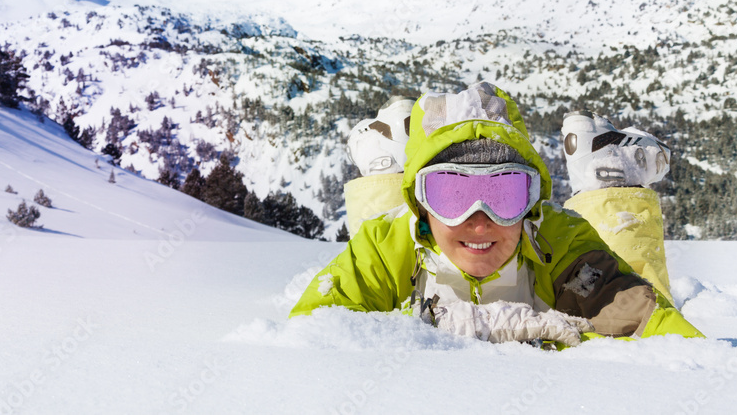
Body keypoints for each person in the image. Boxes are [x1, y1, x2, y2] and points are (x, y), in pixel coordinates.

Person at [290, 82, 703, 346]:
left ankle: (611, 185)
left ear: (532, 204)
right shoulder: (385, 243)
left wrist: (571, 333)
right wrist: (476, 325)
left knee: (634, 263)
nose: (479, 220)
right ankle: (390, 165)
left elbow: (658, 336)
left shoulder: (559, 241)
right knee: (380, 214)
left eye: (504, 193)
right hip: (405, 227)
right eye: (451, 194)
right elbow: (314, 333)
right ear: (420, 205)